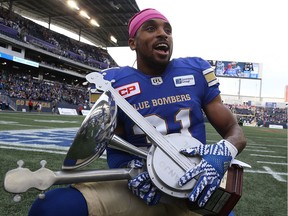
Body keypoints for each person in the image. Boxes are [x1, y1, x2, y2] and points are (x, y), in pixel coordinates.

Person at [29, 8, 246, 216]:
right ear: (132, 43)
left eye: (167, 30)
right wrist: (130, 169)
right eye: (151, 28)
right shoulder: (114, 82)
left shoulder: (195, 71)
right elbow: (113, 146)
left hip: (195, 183)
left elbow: (233, 129)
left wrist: (223, 152)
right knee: (52, 208)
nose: (163, 33)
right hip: (143, 185)